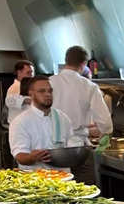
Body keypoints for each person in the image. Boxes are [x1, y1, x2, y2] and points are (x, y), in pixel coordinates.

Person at [50, 46, 112, 182]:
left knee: (58, 190)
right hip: (78, 149)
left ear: (66, 60)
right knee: (86, 190)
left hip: (52, 148)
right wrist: (105, 134)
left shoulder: (49, 82)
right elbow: (105, 122)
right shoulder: (89, 86)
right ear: (84, 64)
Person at [9, 75, 74, 171]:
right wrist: (32, 157)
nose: (47, 94)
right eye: (42, 91)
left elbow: (71, 145)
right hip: (34, 180)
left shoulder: (62, 118)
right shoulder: (20, 122)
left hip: (63, 177)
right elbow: (19, 156)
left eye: (50, 91)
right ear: (31, 94)